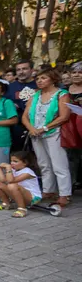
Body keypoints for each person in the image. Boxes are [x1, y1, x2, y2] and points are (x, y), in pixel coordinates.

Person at [22, 68, 72, 206]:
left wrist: (44, 128)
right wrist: (31, 128)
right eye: (38, 78)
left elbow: (64, 116)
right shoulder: (35, 95)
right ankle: (48, 190)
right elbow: (25, 116)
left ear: (53, 79)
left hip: (53, 133)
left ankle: (65, 194)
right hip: (36, 134)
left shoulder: (61, 94)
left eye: (43, 78)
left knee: (59, 164)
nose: (39, 81)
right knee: (43, 164)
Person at [0, 151, 42, 218]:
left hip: (33, 198)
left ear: (25, 163)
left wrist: (8, 168)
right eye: (11, 161)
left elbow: (11, 181)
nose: (12, 163)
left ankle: (22, 209)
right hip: (18, 194)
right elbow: (2, 180)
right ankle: (6, 203)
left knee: (12, 185)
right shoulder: (13, 170)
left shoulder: (28, 172)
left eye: (15, 161)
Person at [7, 60, 39, 152]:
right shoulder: (10, 87)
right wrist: (10, 105)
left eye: (24, 69)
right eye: (18, 70)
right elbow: (4, 103)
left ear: (32, 70)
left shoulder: (39, 84)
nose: (21, 72)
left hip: (38, 123)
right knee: (19, 153)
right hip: (18, 125)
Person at [64, 62, 82, 190]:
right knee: (70, 156)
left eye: (80, 72)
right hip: (69, 127)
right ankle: (71, 183)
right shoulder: (63, 90)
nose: (76, 75)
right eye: (74, 72)